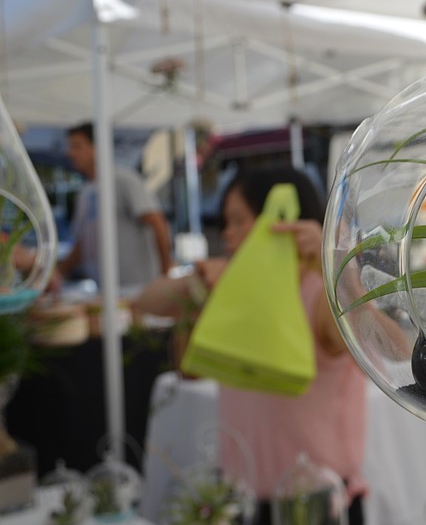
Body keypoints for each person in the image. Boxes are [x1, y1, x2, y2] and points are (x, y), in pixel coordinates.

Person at [135, 166, 368, 525]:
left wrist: (336, 267)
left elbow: (387, 347)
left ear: (279, 219)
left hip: (316, 502)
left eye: (238, 221)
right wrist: (197, 284)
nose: (227, 234)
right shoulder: (238, 296)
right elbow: (147, 302)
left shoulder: (319, 291)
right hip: (243, 498)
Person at [59, 122, 171, 289]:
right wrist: (57, 272)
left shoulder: (123, 180)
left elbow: (157, 223)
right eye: (70, 147)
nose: (70, 153)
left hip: (138, 287)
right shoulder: (85, 192)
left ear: (98, 147)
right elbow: (83, 245)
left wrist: (165, 274)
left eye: (77, 146)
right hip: (104, 289)